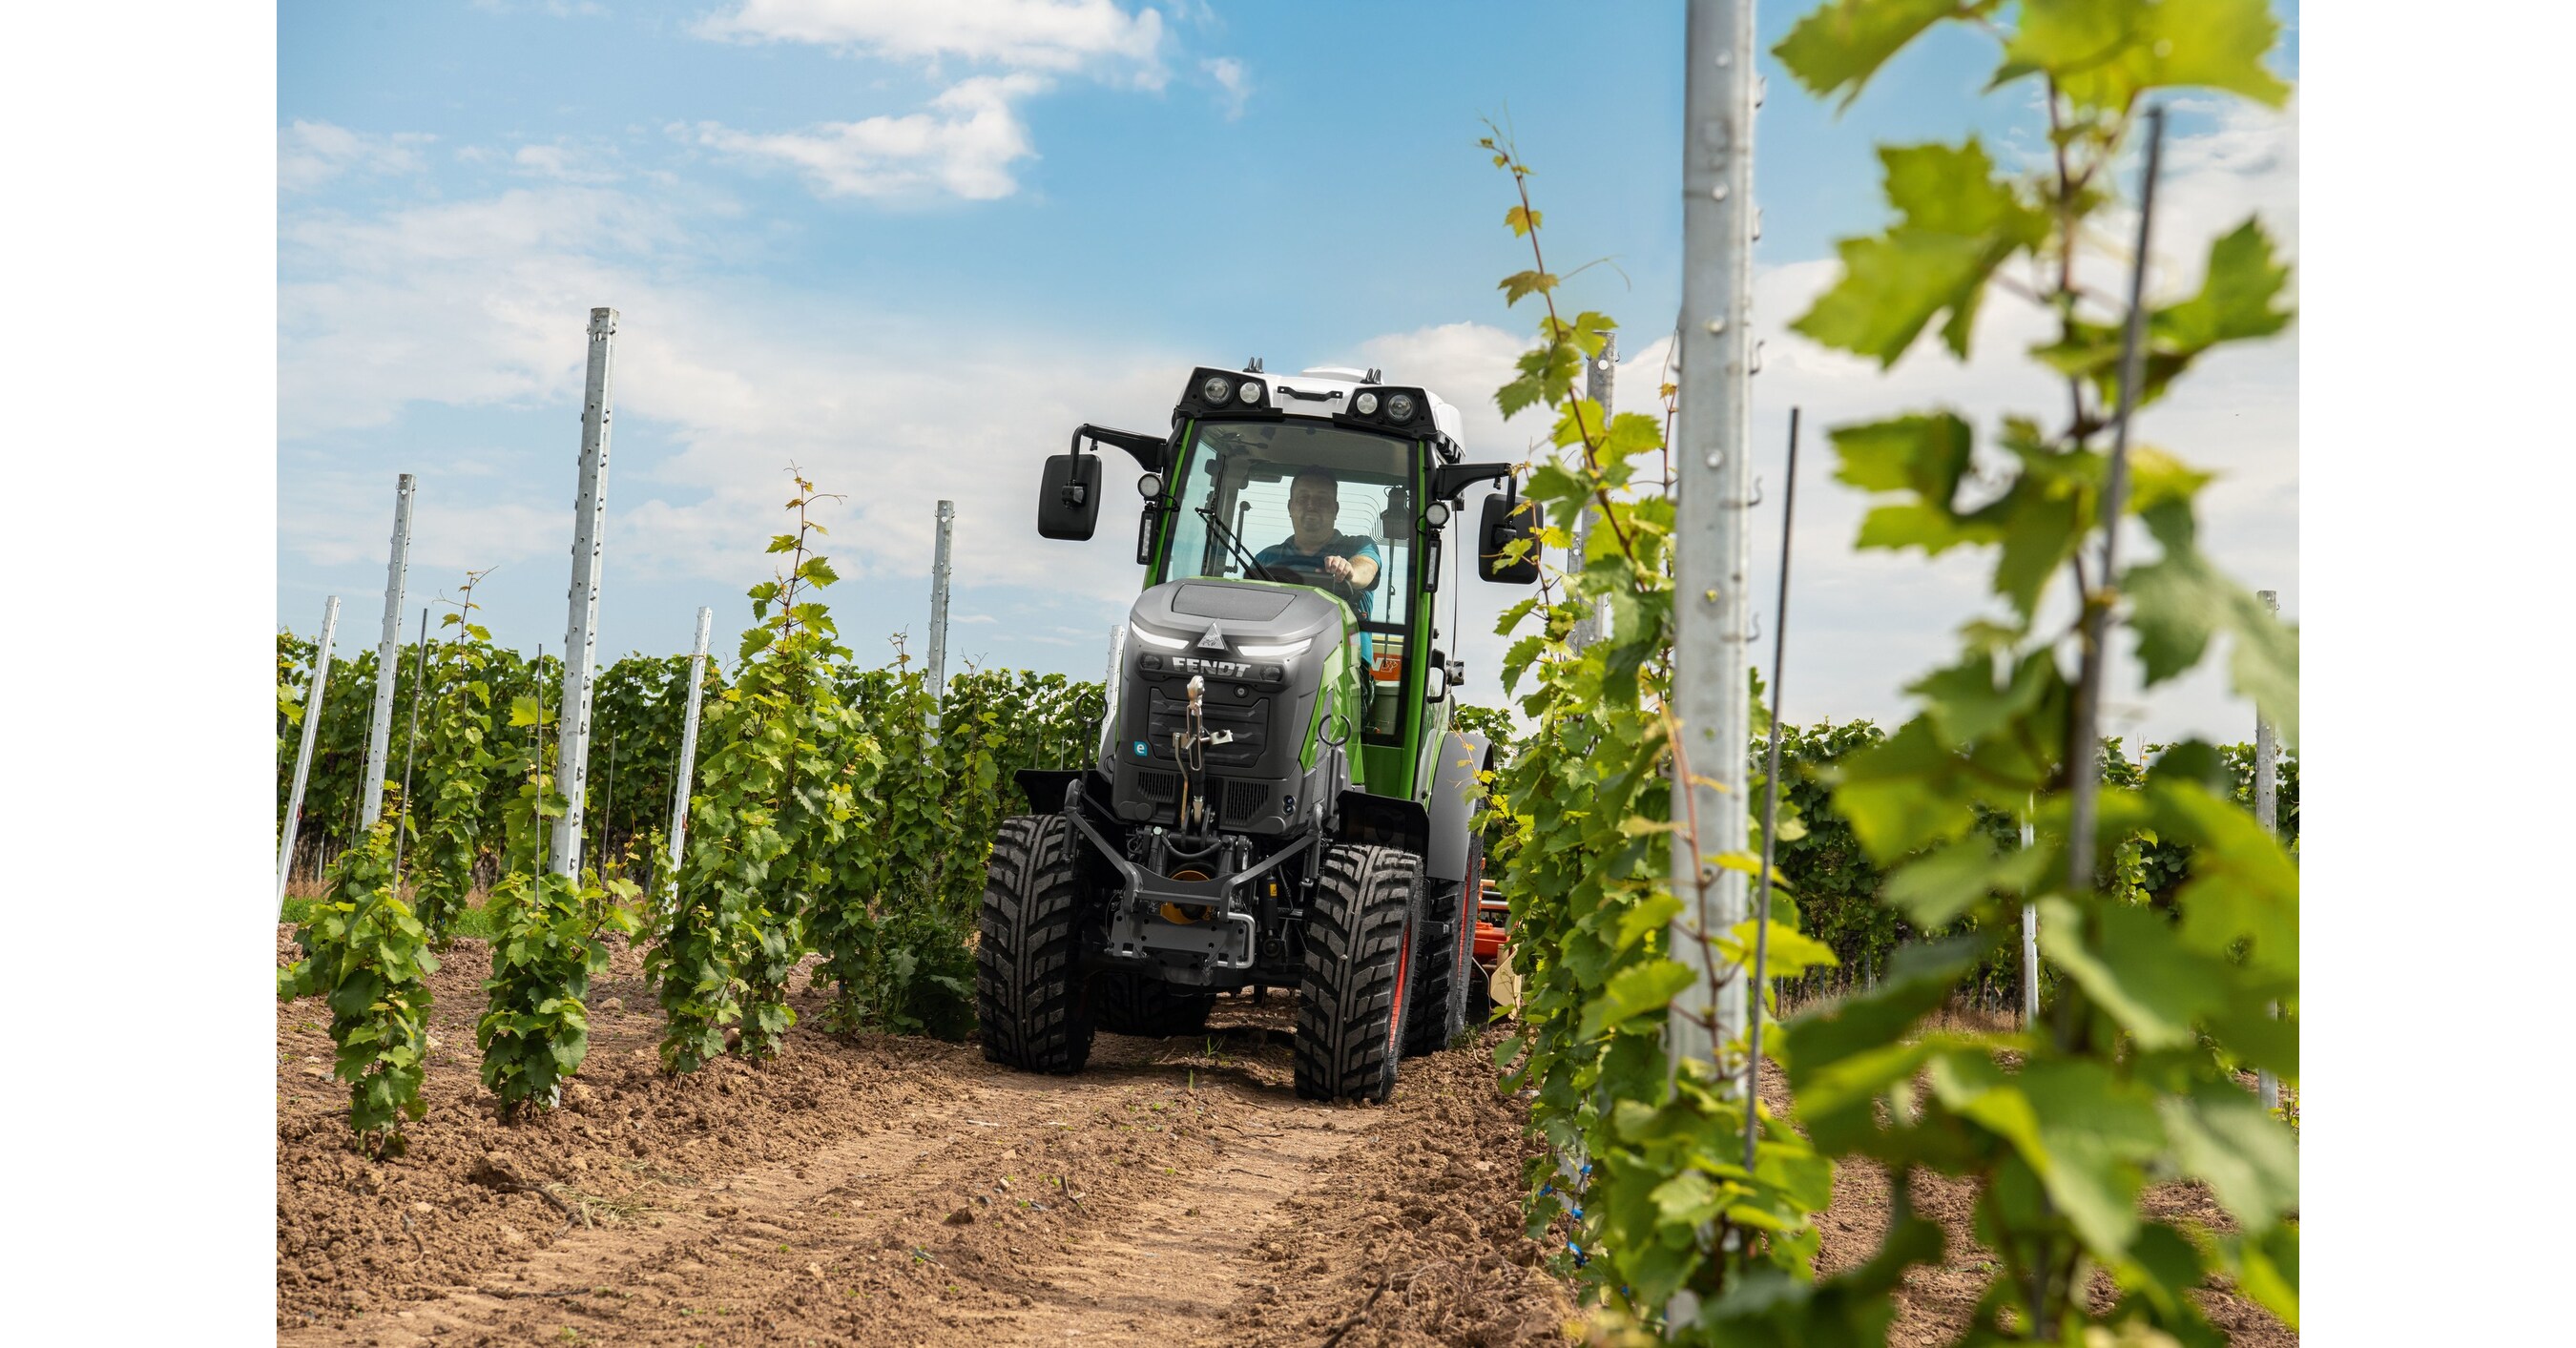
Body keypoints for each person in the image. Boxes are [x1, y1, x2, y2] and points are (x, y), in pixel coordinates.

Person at [1252, 468, 1381, 619]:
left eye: (1322, 500)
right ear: (1290, 507)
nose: (1311, 505)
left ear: (1336, 510)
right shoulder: (1266, 559)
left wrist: (1350, 571)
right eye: (1303, 498)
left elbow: (1367, 568)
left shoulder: (1359, 546)